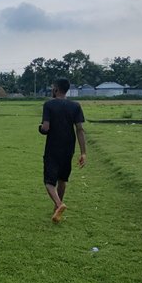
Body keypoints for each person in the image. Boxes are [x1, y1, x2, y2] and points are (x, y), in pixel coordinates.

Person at [39, 78, 86, 223]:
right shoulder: (75, 106)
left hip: (53, 147)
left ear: (56, 89)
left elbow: (46, 128)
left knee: (48, 181)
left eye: (53, 87)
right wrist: (83, 152)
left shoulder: (49, 105)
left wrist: (40, 128)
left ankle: (59, 204)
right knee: (62, 179)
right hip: (68, 148)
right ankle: (56, 210)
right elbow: (79, 129)